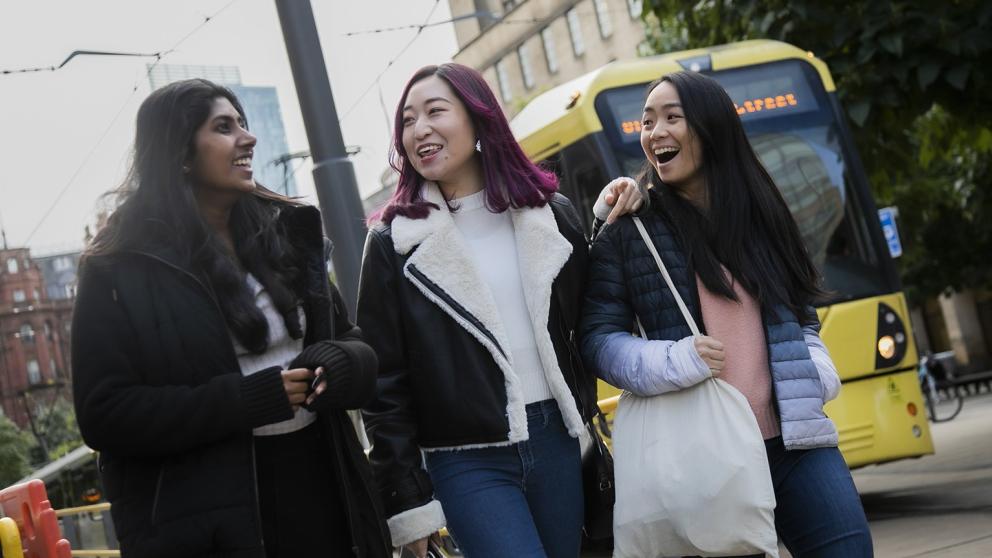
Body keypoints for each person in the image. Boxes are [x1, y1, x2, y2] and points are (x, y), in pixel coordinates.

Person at [71, 79, 391, 558]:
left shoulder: (289, 234)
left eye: (243, 123)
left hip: (325, 484)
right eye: (224, 127)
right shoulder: (117, 267)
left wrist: (342, 362)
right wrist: (245, 400)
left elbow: (357, 343)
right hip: (212, 518)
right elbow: (105, 414)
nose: (248, 138)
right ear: (179, 152)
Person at [580, 71, 873, 557]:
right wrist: (674, 360)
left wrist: (815, 370)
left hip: (794, 439)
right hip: (705, 453)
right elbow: (597, 341)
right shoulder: (632, 229)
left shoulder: (764, 214)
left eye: (673, 117)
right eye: (647, 121)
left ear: (711, 126)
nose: (655, 132)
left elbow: (801, 312)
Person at [357, 63, 641, 558]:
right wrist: (406, 500)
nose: (418, 129)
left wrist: (616, 208)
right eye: (407, 120)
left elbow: (594, 308)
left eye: (434, 111)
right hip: (464, 459)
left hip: (556, 437)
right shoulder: (392, 242)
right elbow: (384, 385)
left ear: (477, 118)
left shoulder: (548, 214)